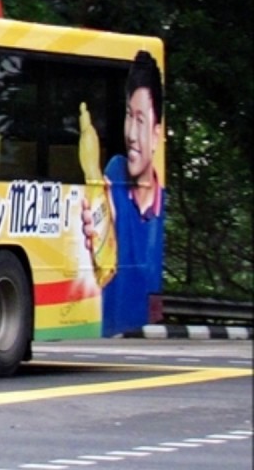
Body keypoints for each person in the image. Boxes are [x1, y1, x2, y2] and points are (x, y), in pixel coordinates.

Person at [83, 50, 165, 337]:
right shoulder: (115, 174)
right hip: (107, 331)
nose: (130, 133)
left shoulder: (160, 206)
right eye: (129, 116)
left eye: (141, 120)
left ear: (156, 134)